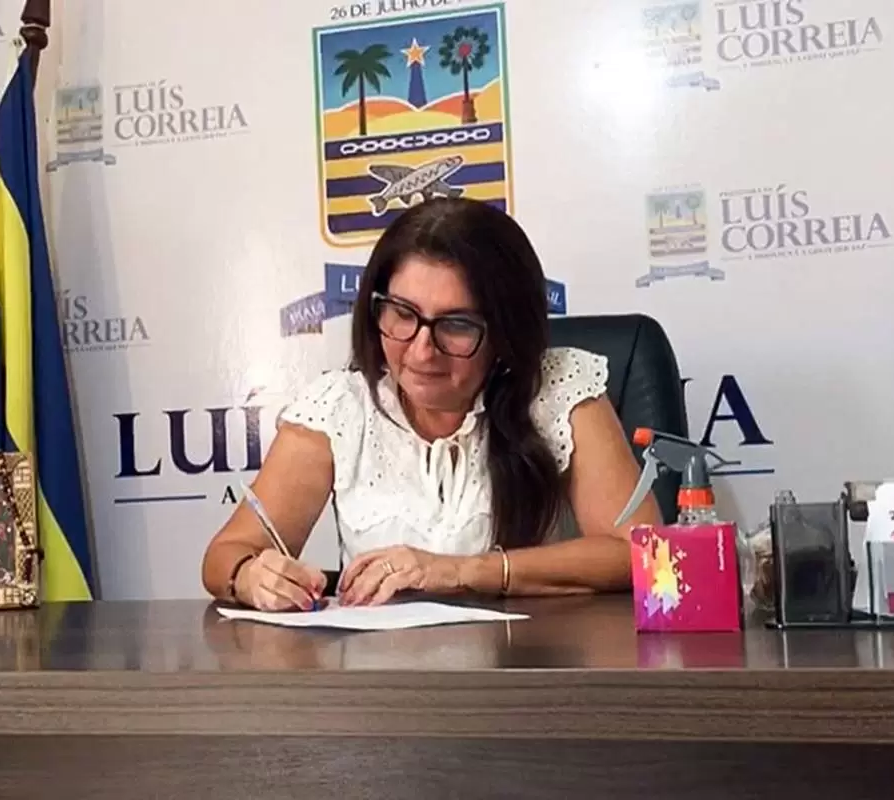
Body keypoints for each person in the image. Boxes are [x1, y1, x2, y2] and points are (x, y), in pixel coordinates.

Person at [201, 198, 661, 611]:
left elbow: (640, 552)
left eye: (455, 325)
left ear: (505, 332)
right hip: (381, 673)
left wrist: (462, 571)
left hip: (530, 667)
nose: (422, 351)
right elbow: (226, 554)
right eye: (403, 314)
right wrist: (250, 576)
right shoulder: (340, 405)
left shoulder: (560, 388)